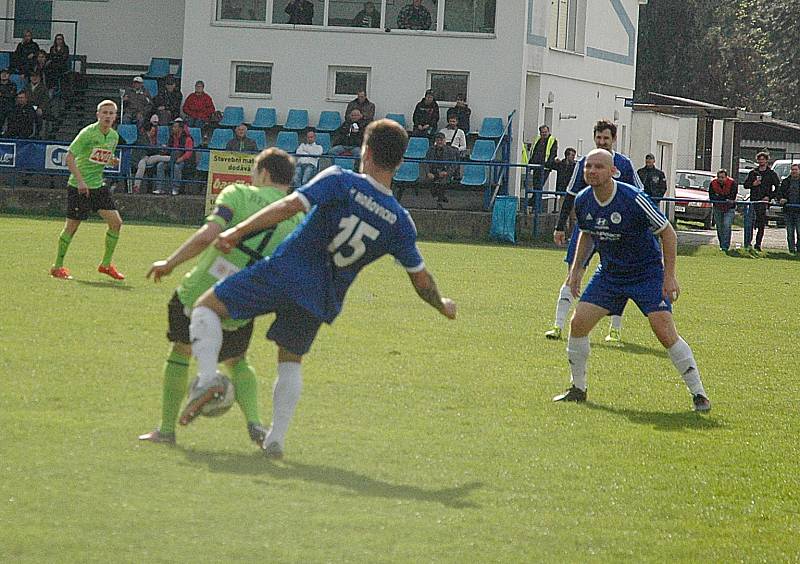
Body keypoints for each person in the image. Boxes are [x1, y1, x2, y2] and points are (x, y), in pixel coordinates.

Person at [183, 119, 457, 458]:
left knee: (207, 306)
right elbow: (421, 280)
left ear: (366, 151)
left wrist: (236, 232)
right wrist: (441, 304)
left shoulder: (339, 180)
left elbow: (287, 207)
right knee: (290, 361)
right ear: (400, 163)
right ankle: (275, 440)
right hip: (321, 295)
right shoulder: (399, 221)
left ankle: (208, 378)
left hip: (284, 272)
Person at [140, 148, 305, 446]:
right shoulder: (296, 218)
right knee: (237, 359)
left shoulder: (238, 194)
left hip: (200, 291)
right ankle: (255, 423)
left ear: (264, 173)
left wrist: (170, 263)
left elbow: (208, 235)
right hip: (243, 300)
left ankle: (166, 429)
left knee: (181, 351)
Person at [553, 149, 711, 412]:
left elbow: (668, 233)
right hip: (610, 274)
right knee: (578, 324)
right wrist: (576, 271)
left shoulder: (633, 198)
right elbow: (588, 234)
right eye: (588, 166)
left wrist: (669, 276)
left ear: (613, 171)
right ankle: (577, 388)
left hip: (646, 274)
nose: (592, 171)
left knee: (664, 332)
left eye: (598, 167)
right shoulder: (582, 200)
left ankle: (699, 394)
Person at [545, 119, 645, 343]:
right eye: (598, 138)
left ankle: (615, 328)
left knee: (618, 277)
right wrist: (560, 226)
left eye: (606, 138)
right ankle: (558, 325)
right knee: (573, 272)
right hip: (588, 228)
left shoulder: (624, 164)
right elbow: (571, 194)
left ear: (614, 139)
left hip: (618, 233)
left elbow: (640, 196)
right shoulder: (585, 162)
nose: (602, 142)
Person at [49, 100, 124, 280]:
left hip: (97, 186)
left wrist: (111, 160)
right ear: (98, 115)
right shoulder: (87, 133)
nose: (107, 116)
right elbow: (69, 158)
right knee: (72, 228)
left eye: (111, 113)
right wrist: (81, 182)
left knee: (116, 223)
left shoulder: (114, 136)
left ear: (115, 116)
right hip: (79, 187)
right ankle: (57, 267)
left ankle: (105, 265)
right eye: (104, 112)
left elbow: (101, 156)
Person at [743, 151, 780, 252]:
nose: (761, 161)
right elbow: (745, 185)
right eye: (759, 160)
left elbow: (777, 187)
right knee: (750, 223)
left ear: (767, 161)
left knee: (761, 224)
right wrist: (753, 184)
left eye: (763, 159)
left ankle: (758, 244)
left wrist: (769, 196)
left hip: (764, 202)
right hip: (753, 200)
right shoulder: (753, 173)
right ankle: (748, 243)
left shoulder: (771, 174)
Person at [155, 117, 194, 196]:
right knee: (160, 165)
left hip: (182, 160)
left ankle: (175, 188)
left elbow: (188, 153)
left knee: (176, 167)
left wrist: (181, 159)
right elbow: (169, 149)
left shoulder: (188, 138)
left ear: (180, 128)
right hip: (171, 158)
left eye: (175, 127)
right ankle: (160, 188)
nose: (173, 128)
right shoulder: (171, 137)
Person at [423, 132, 460, 208]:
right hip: (433, 172)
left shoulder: (450, 150)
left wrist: (447, 173)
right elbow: (426, 162)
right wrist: (428, 173)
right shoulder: (431, 149)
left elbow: (454, 164)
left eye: (441, 140)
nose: (439, 142)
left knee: (442, 183)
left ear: (444, 140)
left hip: (445, 172)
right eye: (438, 140)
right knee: (429, 181)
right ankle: (440, 197)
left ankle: (439, 202)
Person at [132, 119, 169, 194]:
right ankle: (136, 186)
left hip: (146, 158)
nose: (153, 133)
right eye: (152, 131)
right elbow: (149, 147)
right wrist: (160, 147)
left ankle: (136, 186)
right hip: (139, 158)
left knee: (156, 157)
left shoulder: (150, 139)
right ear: (148, 131)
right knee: (143, 164)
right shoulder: (142, 137)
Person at [527, 125, 558, 204]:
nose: (544, 134)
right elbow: (534, 152)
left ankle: (534, 203)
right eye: (542, 132)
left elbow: (552, 153)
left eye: (545, 132)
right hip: (536, 166)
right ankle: (534, 202)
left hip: (545, 167)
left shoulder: (552, 140)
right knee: (535, 185)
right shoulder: (538, 140)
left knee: (539, 185)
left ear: (548, 132)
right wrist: (530, 163)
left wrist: (548, 164)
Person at [708, 169, 737, 252]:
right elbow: (712, 196)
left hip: (729, 209)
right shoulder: (713, 183)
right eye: (719, 177)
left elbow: (732, 196)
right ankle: (722, 245)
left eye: (722, 177)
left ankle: (725, 246)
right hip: (718, 208)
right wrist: (723, 198)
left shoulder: (732, 183)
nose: (720, 179)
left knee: (727, 225)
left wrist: (720, 197)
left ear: (726, 177)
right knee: (719, 227)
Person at [776, 163, 800, 254]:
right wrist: (781, 199)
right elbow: (779, 193)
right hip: (788, 211)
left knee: (799, 231)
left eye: (796, 169)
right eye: (792, 169)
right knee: (790, 232)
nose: (794, 171)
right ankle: (791, 250)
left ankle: (798, 250)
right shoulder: (786, 181)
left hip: (798, 211)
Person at [25, 71, 49, 138]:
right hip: (28, 107)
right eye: (32, 76)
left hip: (38, 107)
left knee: (38, 115)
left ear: (39, 78)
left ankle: (37, 133)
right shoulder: (26, 87)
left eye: (36, 76)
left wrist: (41, 108)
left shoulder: (43, 88)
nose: (34, 78)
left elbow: (45, 100)